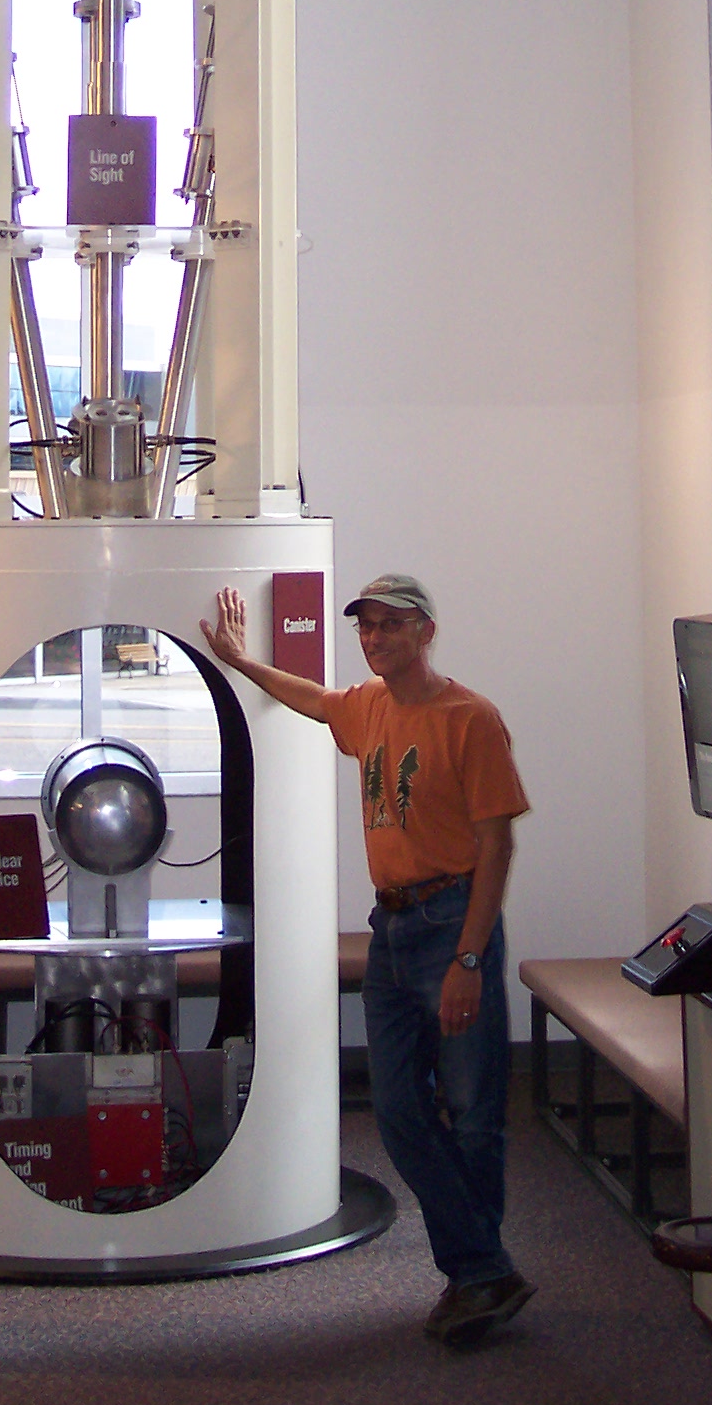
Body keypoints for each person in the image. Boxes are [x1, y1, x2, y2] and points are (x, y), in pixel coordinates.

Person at [202, 570, 534, 1346]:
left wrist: (469, 961)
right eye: (367, 626)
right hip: (392, 931)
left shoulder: (471, 719)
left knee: (474, 1114)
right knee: (399, 1111)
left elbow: (496, 847)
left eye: (391, 624)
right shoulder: (369, 706)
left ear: (426, 631)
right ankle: (485, 1268)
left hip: (453, 925)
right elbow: (314, 699)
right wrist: (240, 662)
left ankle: (475, 1276)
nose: (376, 637)